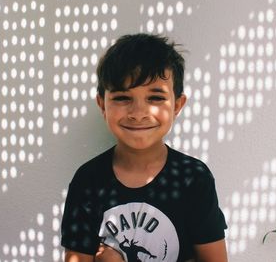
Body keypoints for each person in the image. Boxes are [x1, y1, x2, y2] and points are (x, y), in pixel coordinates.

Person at [61, 33, 228, 262]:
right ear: (102, 104)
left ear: (177, 105)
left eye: (155, 98)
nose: (138, 114)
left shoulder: (193, 179)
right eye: (122, 98)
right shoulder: (88, 181)